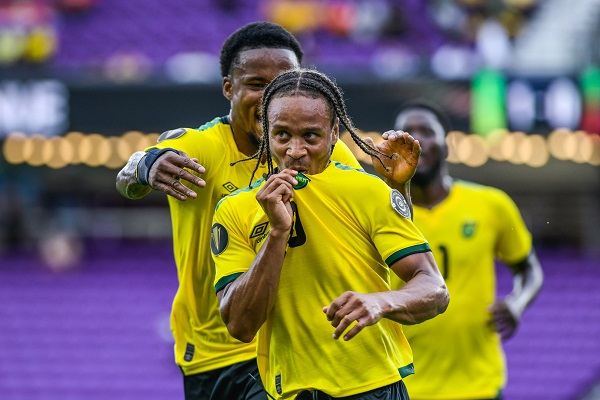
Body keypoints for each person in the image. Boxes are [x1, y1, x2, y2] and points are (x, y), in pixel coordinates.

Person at [116, 22, 418, 399]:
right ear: (229, 88)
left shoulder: (328, 152)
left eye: (284, 82)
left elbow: (382, 231)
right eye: (258, 84)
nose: (270, 96)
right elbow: (129, 176)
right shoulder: (204, 149)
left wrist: (397, 188)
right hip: (222, 350)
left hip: (296, 348)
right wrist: (145, 166)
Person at [211, 69, 450, 400]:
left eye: (310, 136)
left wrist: (381, 301)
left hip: (374, 388)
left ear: (335, 133)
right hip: (291, 393)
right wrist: (278, 233)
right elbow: (239, 325)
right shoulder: (234, 209)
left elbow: (435, 289)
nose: (295, 150)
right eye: (282, 135)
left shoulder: (367, 191)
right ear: (266, 132)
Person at [389, 99, 544, 400]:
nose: (416, 140)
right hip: (404, 384)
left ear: (446, 144)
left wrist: (517, 302)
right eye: (406, 132)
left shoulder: (491, 204)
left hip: (478, 384)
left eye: (427, 131)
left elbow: (529, 269)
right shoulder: (380, 211)